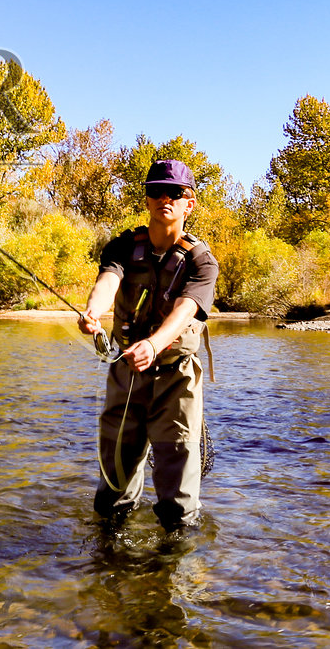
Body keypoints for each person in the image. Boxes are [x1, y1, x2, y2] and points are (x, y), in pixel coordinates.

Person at [78, 158, 219, 529]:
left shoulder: (202, 262)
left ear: (190, 202)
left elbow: (187, 309)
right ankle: (107, 560)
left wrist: (155, 344)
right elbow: (108, 280)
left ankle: (177, 568)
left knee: (178, 502)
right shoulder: (123, 247)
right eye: (156, 191)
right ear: (146, 199)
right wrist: (93, 311)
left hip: (176, 379)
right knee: (113, 488)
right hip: (126, 373)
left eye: (175, 192)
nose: (164, 198)